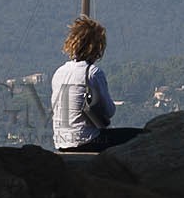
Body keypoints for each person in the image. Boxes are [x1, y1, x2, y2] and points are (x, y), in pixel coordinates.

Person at [50, 16, 143, 152]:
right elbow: (109, 111)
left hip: (61, 143)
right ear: (97, 47)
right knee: (140, 136)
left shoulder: (59, 72)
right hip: (86, 141)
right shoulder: (92, 73)